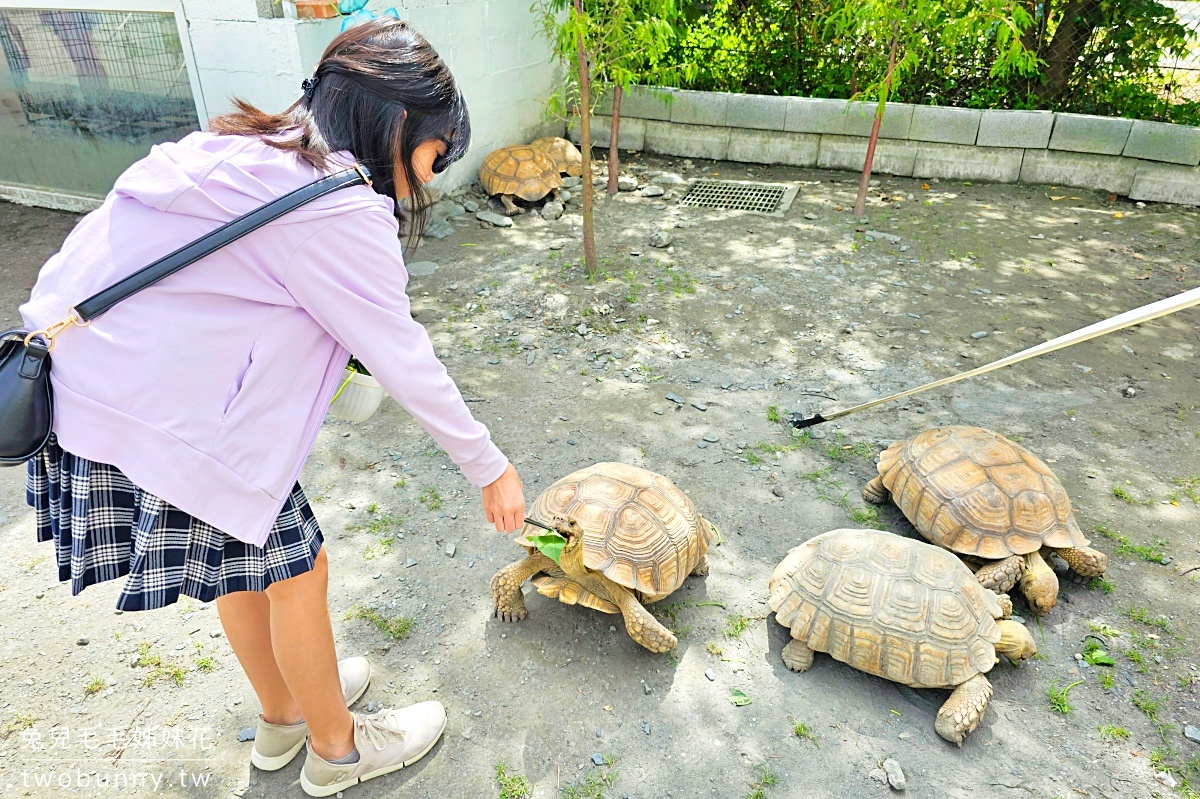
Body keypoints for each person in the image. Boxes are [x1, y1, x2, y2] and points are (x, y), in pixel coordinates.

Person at [19, 18, 526, 797]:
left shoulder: (238, 145)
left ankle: (284, 710)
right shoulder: (338, 206)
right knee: (299, 568)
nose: (431, 175)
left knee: (246, 564)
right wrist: (489, 469)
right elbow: (403, 355)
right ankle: (338, 748)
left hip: (79, 391)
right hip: (160, 421)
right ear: (399, 125)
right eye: (437, 152)